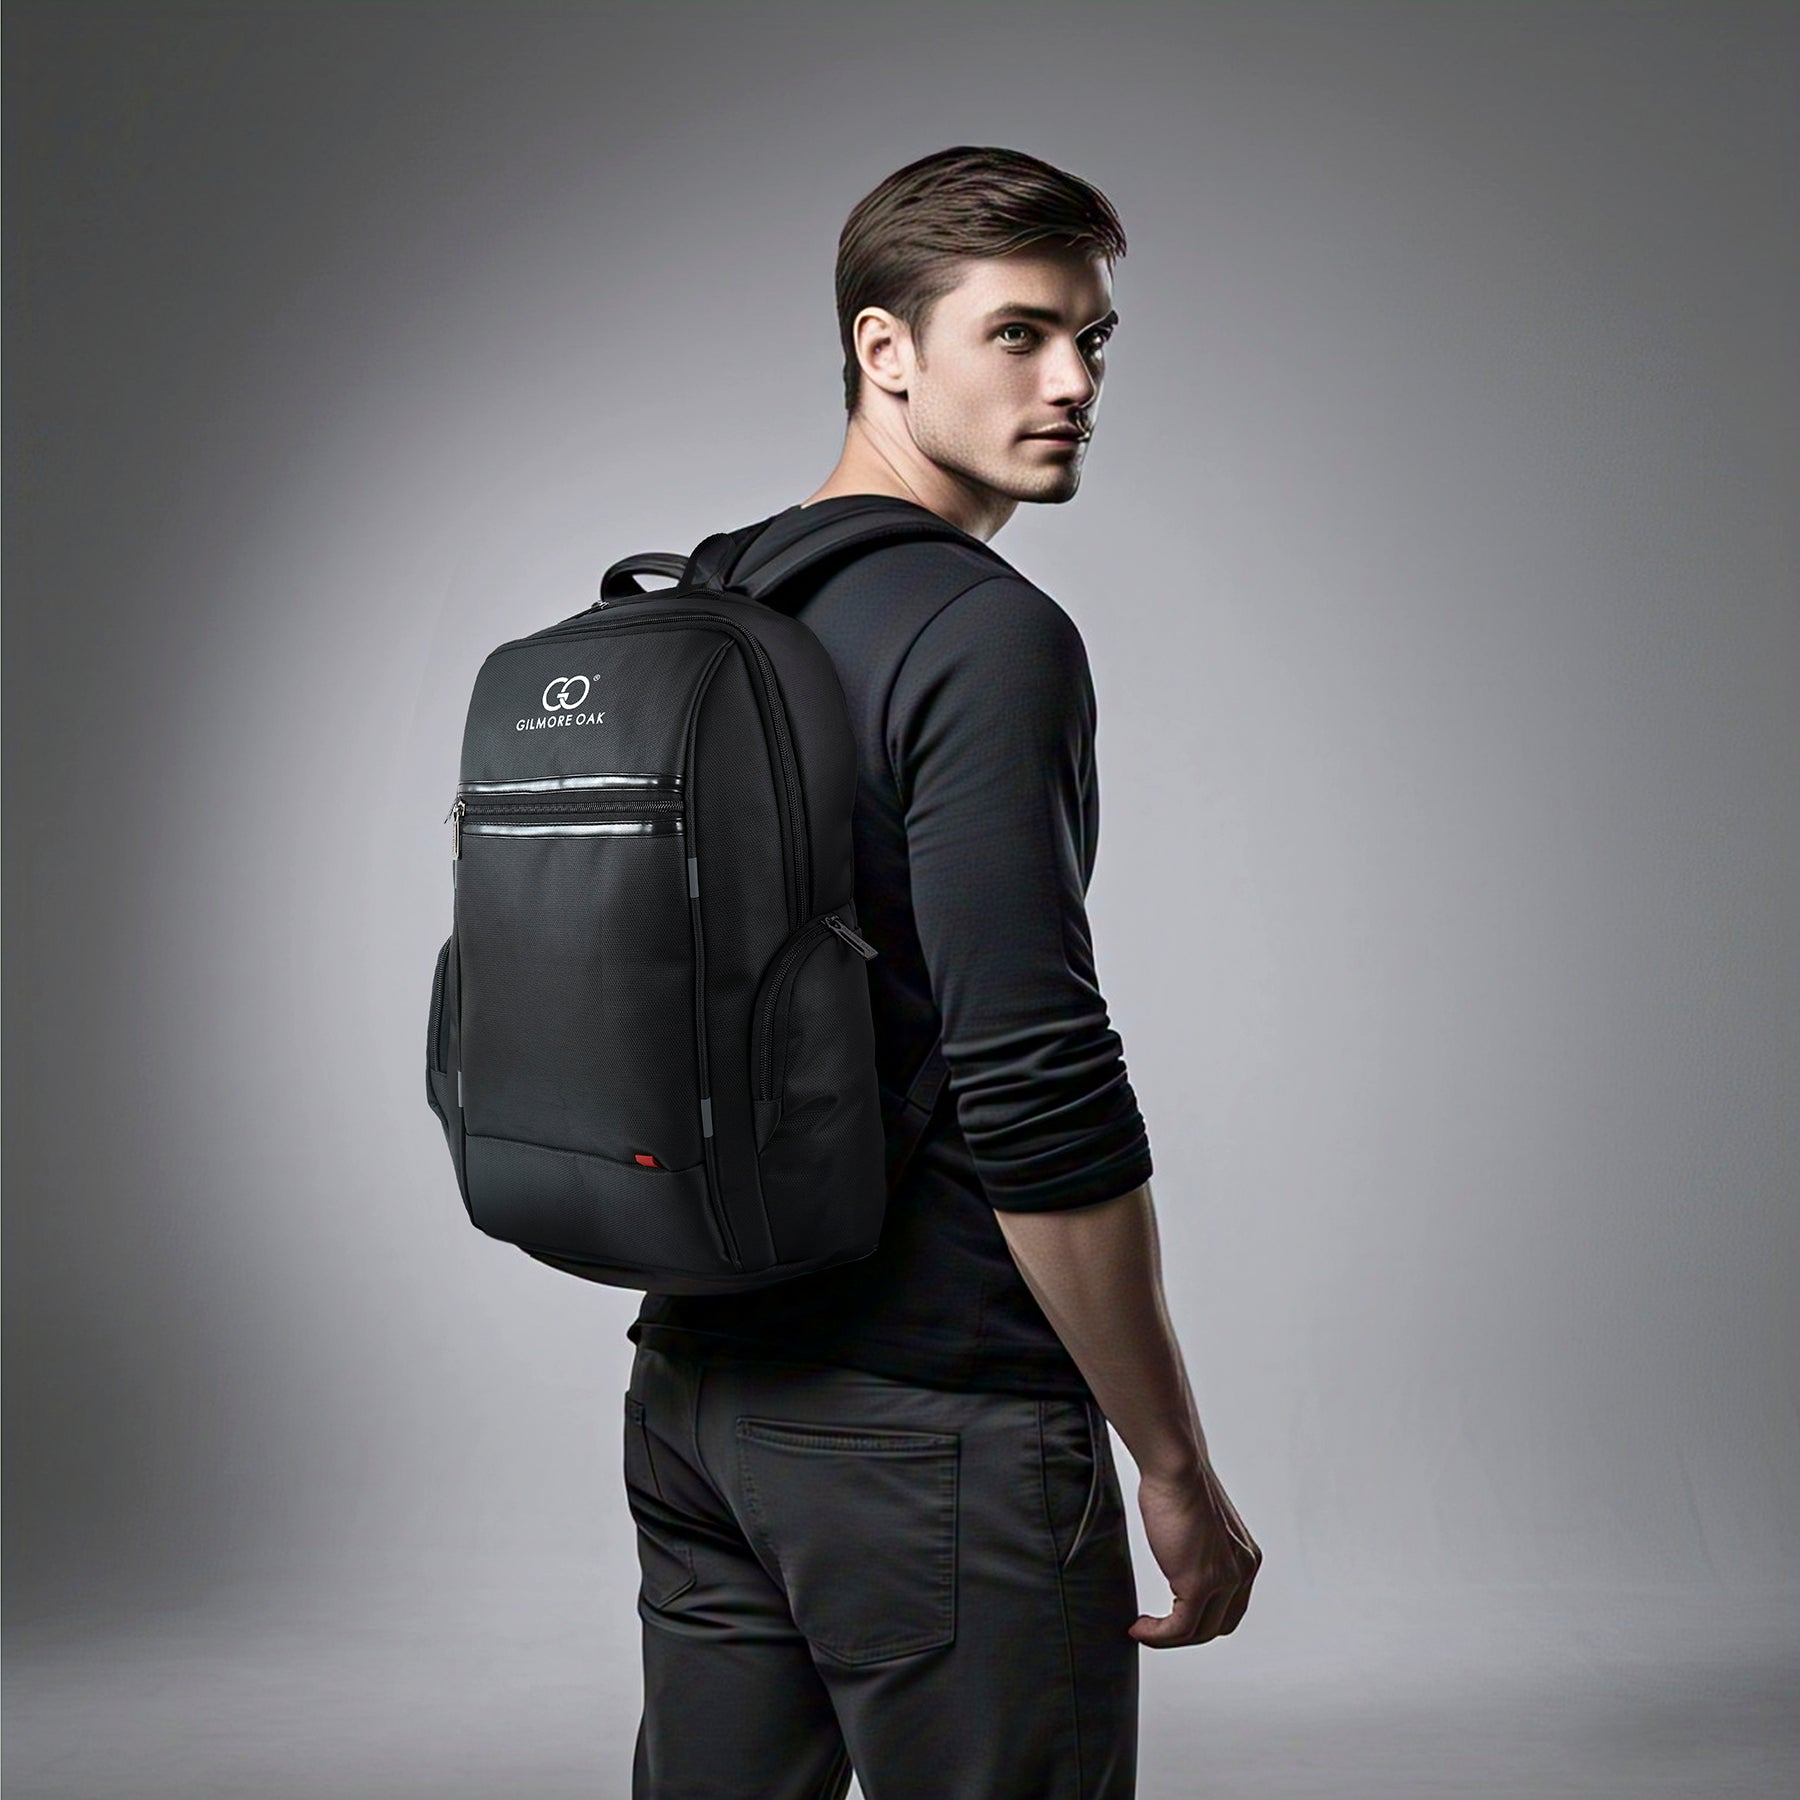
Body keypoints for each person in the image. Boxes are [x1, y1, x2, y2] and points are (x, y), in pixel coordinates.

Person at [620, 144, 1260, 1800]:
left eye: (1093, 340)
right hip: (932, 1426)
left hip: (698, 1390)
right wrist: (1169, 1459)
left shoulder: (713, 596)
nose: (1075, 384)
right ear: (885, 349)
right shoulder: (984, 634)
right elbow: (1037, 1082)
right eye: (1020, 335)